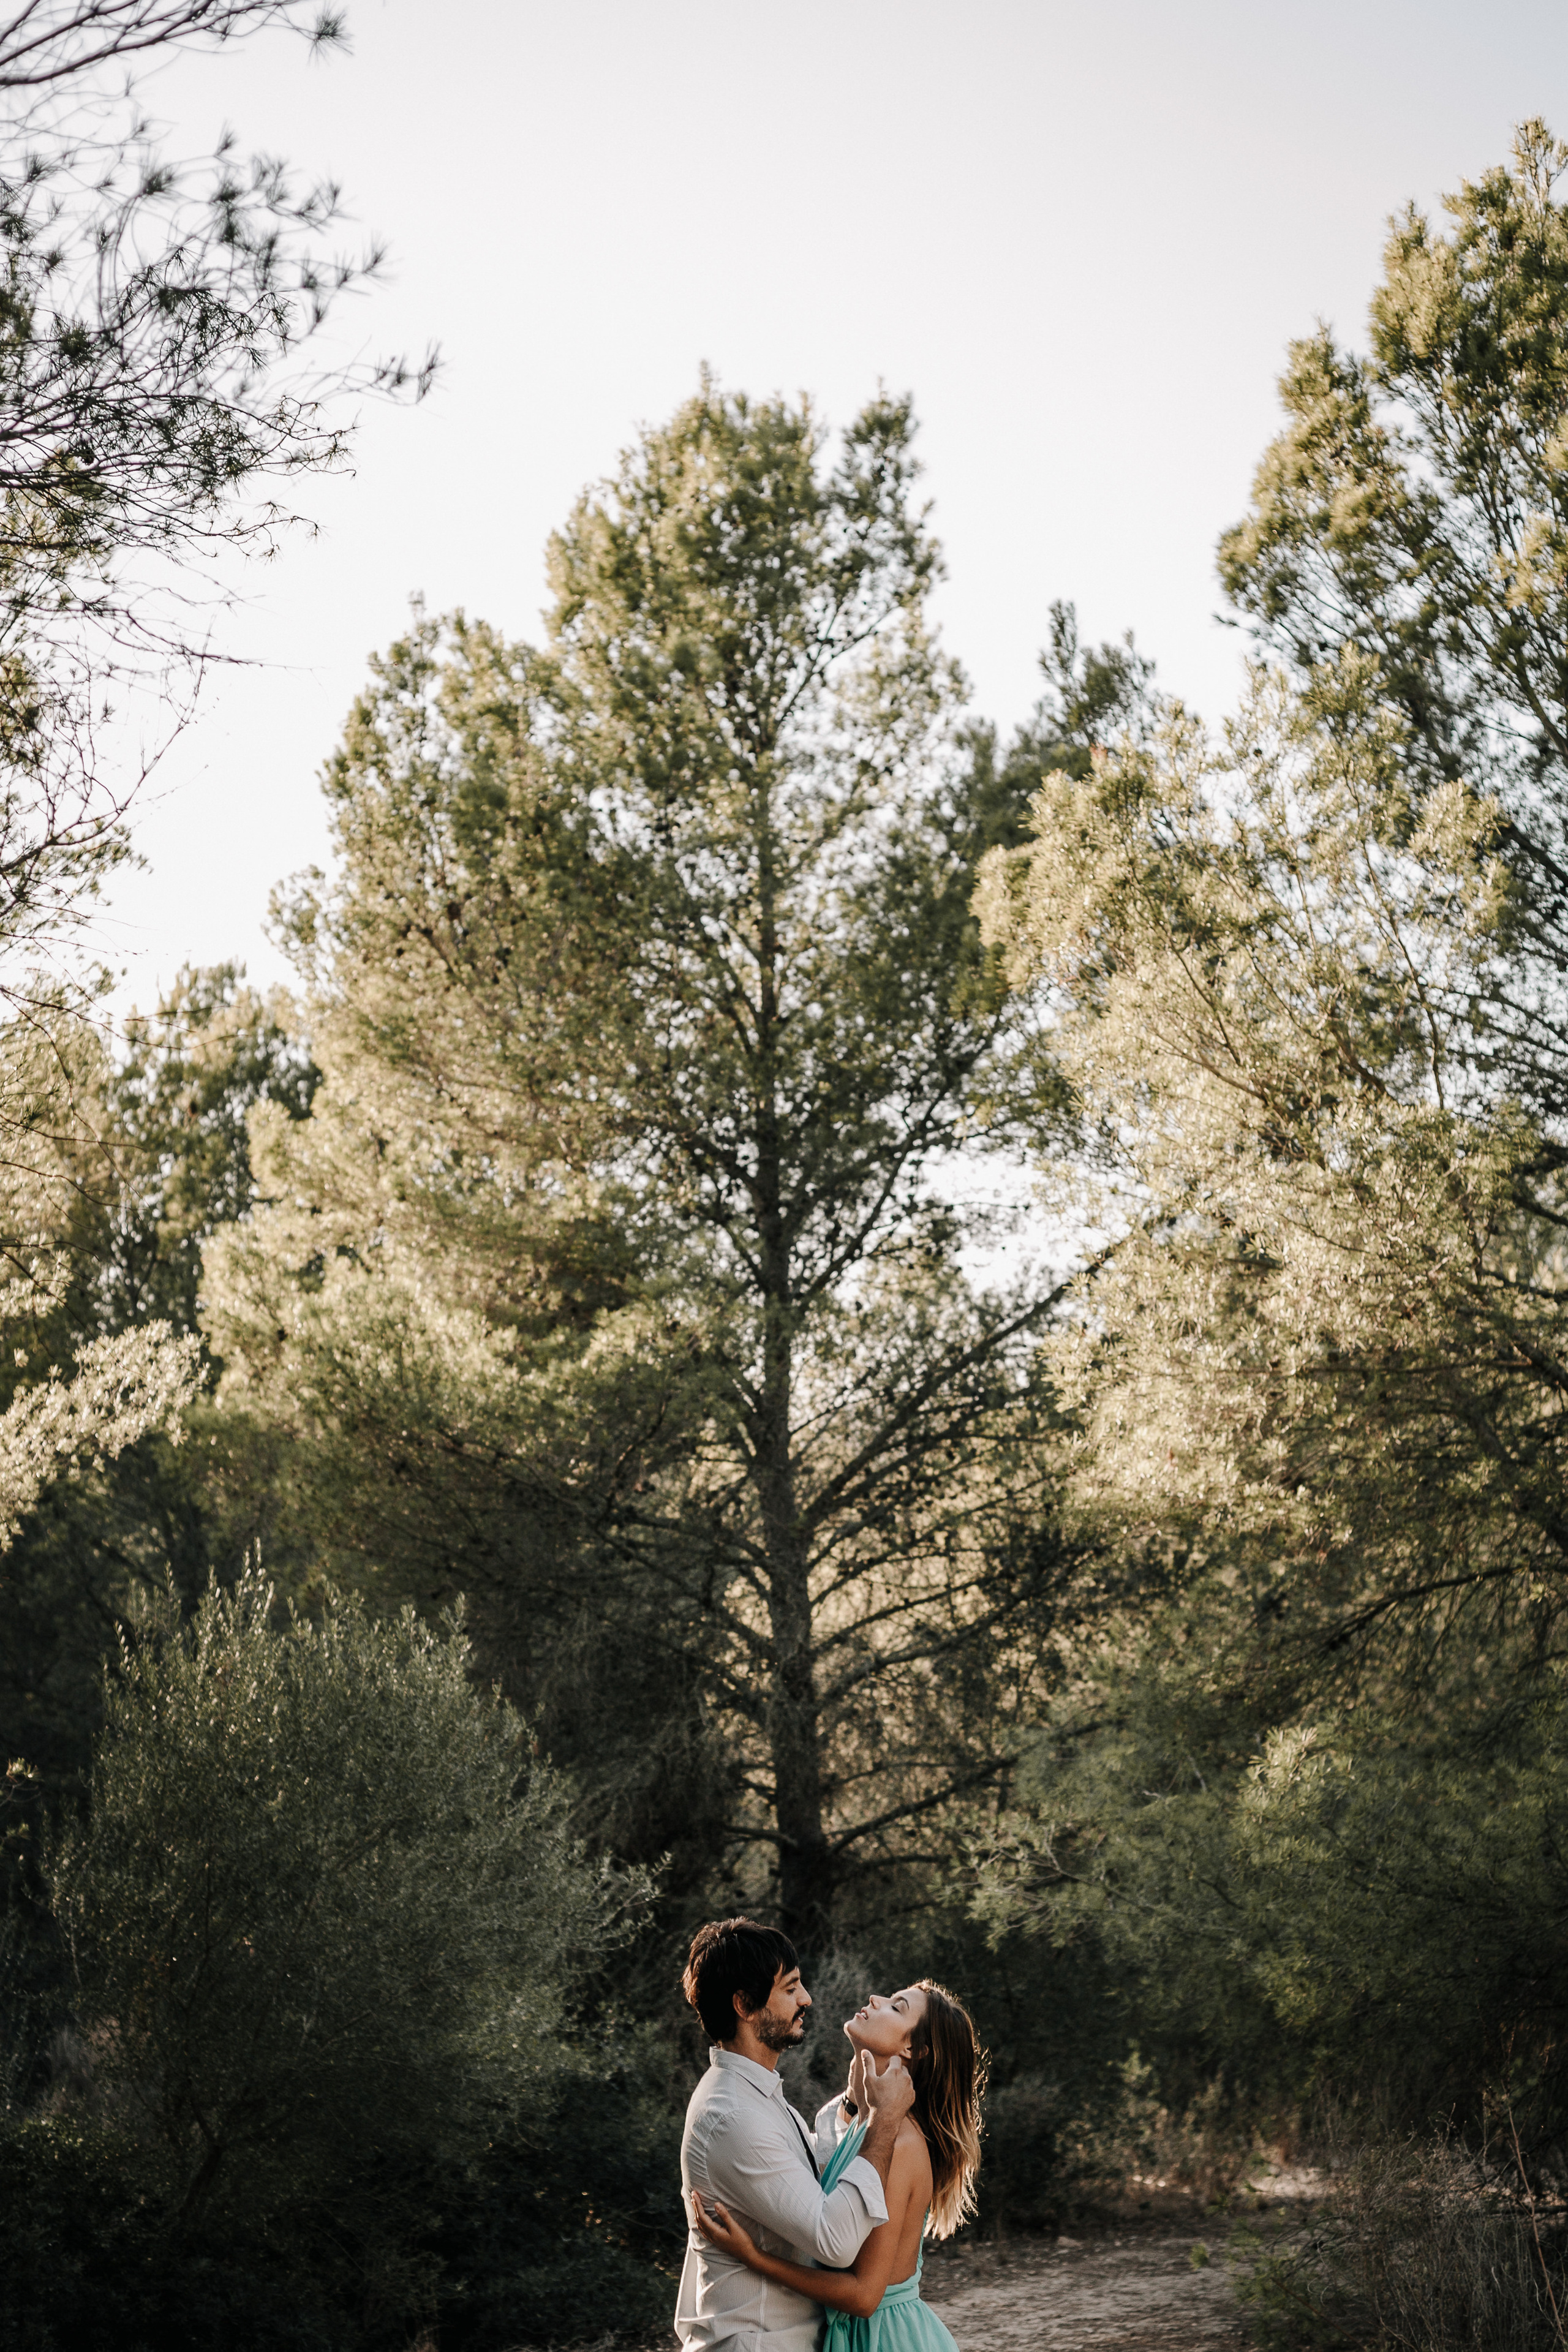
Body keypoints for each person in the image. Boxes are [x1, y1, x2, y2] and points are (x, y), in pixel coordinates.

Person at [692, 1975, 986, 2352]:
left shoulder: (902, 2142)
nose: (875, 1999)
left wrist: (754, 2258)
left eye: (897, 2007)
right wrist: (856, 2101)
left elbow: (864, 2297)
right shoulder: (874, 2126)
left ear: (913, 2047)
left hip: (888, 2339)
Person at [677, 1917, 917, 2352]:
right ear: (745, 2006)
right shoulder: (733, 2117)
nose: (806, 1999)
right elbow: (836, 2241)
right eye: (790, 1989)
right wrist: (881, 2123)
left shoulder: (754, 2095)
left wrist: (852, 2103)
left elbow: (807, 2166)